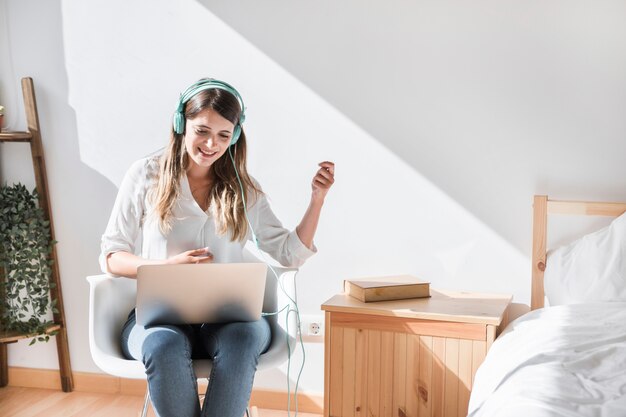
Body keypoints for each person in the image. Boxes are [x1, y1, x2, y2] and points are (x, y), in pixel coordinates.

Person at [99, 78, 335, 417]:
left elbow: (289, 254)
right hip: (158, 319)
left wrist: (317, 200)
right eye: (202, 131)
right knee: (162, 345)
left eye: (224, 135)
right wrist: (164, 269)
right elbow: (111, 255)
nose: (211, 144)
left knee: (244, 339)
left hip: (230, 321)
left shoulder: (242, 188)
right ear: (181, 124)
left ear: (235, 136)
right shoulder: (145, 175)